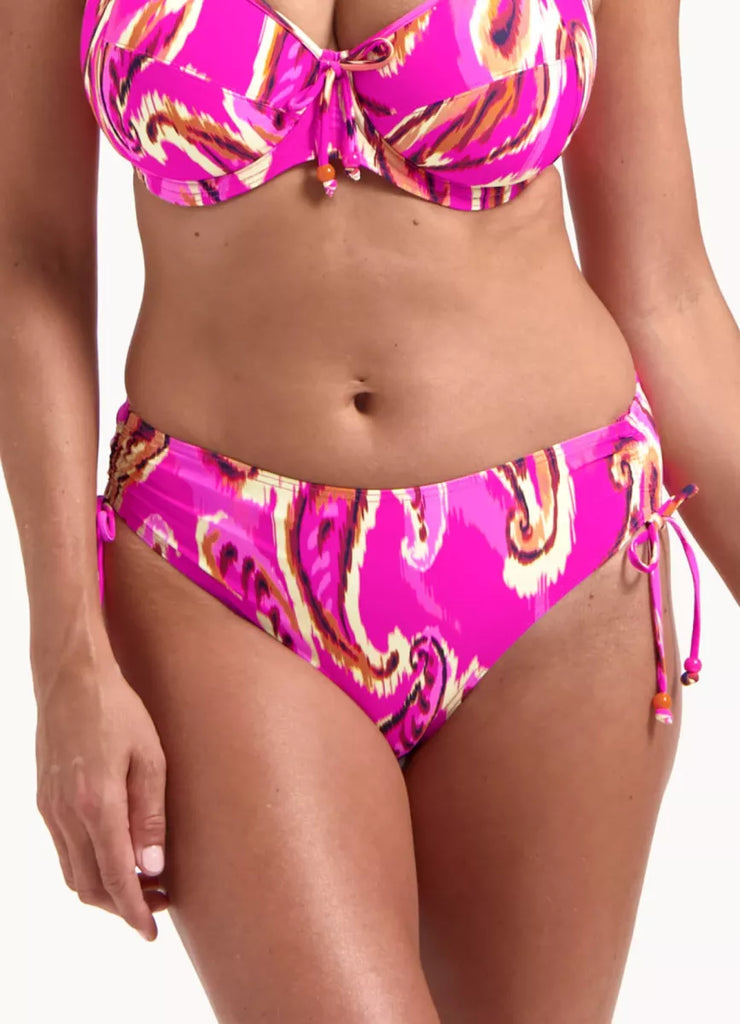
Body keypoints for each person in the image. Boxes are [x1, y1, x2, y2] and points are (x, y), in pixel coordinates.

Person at [2, 0, 738, 1021]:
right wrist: (64, 659)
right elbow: (28, 263)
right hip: (213, 571)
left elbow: (666, 292)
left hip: (559, 567)